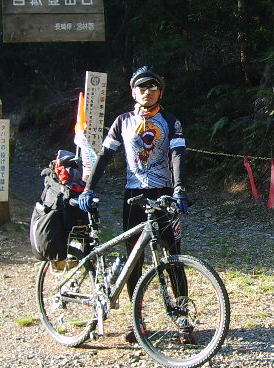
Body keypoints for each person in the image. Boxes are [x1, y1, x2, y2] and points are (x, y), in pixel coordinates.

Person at [77, 66, 192, 343]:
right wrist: (89, 188)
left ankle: (182, 317)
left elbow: (178, 155)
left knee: (172, 257)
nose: (147, 91)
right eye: (142, 87)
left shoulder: (171, 120)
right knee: (134, 260)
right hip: (133, 196)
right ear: (133, 91)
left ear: (160, 92)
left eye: (153, 87)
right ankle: (137, 318)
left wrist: (180, 189)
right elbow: (105, 156)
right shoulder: (122, 121)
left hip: (164, 193)